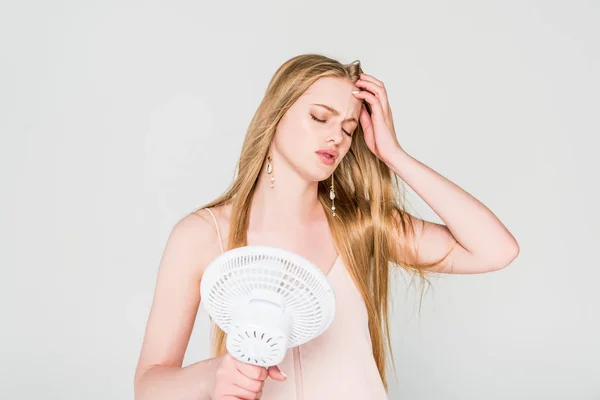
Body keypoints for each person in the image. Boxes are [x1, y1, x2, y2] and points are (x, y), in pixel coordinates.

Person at [133, 54, 520, 400]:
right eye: (320, 117)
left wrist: (394, 155)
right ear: (275, 115)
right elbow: (149, 385)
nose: (336, 136)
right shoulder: (203, 235)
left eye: (349, 128)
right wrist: (211, 377)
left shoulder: (362, 225)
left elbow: (497, 250)